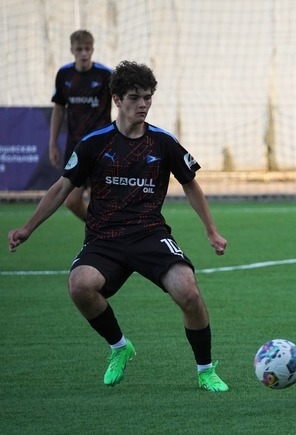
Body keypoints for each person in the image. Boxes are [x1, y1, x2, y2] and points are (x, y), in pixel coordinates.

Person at [8, 60, 229, 392]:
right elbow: (62, 187)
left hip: (149, 233)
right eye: (134, 97)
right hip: (104, 237)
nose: (143, 104)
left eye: (148, 97)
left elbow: (190, 184)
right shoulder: (94, 143)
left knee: (189, 292)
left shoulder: (163, 142)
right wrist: (28, 228)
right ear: (117, 99)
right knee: (79, 286)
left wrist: (211, 230)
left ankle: (206, 370)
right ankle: (120, 347)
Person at [49, 30, 113, 221]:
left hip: (101, 145)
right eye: (79, 49)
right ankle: (98, 227)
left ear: (93, 49)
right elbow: (58, 109)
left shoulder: (105, 75)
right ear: (72, 50)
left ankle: (101, 231)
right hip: (75, 146)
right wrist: (52, 143)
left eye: (87, 48)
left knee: (99, 200)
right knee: (71, 201)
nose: (84, 53)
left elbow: (122, 102)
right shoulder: (64, 74)